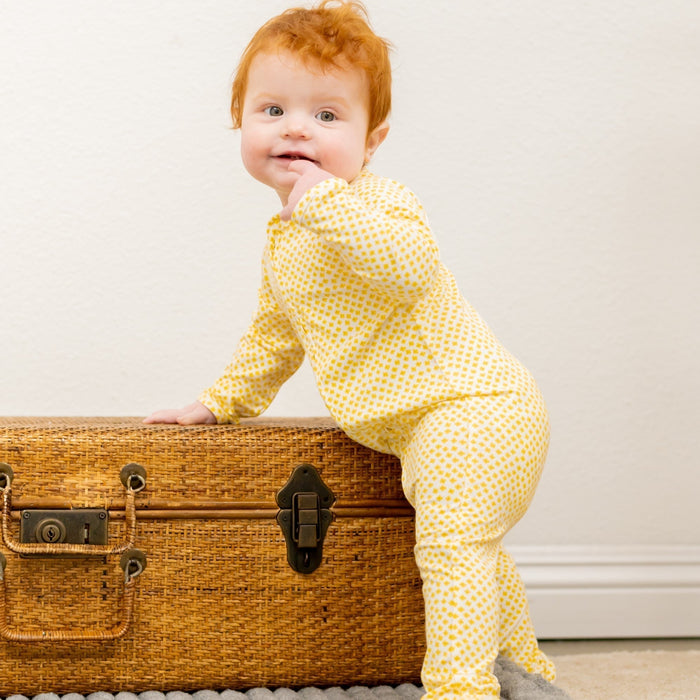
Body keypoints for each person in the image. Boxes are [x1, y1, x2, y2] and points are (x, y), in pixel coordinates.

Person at [145, 1, 557, 697]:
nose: (297, 127)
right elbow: (275, 341)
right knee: (475, 552)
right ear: (240, 123)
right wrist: (219, 403)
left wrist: (325, 203)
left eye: (328, 116)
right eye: (272, 110)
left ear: (372, 142)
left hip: (475, 408)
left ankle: (461, 688)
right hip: (425, 426)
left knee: (452, 549)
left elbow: (408, 265)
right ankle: (526, 671)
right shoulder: (285, 242)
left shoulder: (380, 202)